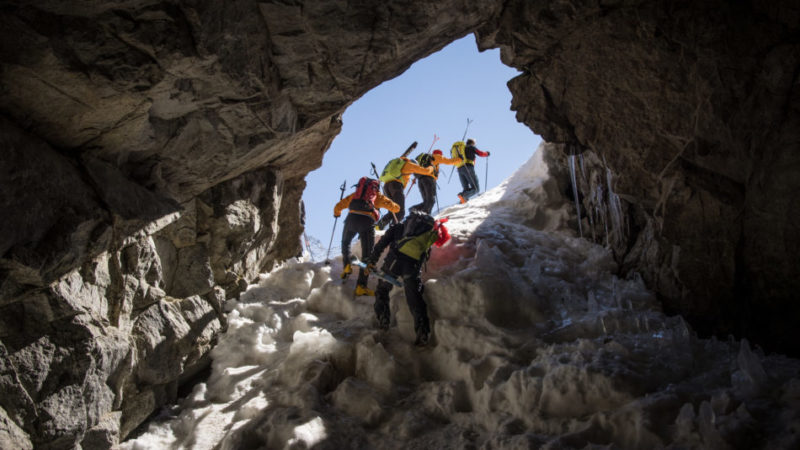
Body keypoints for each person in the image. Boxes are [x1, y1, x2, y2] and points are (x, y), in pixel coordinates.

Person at [365, 211, 451, 346]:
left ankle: (384, 322)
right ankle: (423, 332)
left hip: (394, 262)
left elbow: (381, 244)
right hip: (413, 265)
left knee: (382, 289)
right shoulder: (424, 233)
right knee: (414, 296)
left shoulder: (398, 227)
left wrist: (372, 261)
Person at [334, 177, 400, 296]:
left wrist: (337, 213)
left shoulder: (355, 195)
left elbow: (338, 206)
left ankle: (347, 265)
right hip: (366, 222)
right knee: (367, 256)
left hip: (350, 219)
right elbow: (396, 208)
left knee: (346, 242)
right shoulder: (377, 196)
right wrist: (388, 203)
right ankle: (361, 286)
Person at [375, 156, 434, 230]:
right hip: (395, 186)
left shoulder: (400, 165)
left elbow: (403, 179)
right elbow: (425, 171)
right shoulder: (408, 164)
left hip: (386, 187)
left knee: (393, 210)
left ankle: (378, 227)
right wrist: (431, 167)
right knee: (400, 212)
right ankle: (393, 231)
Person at [409, 150, 460, 214]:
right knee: (431, 201)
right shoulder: (436, 157)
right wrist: (459, 159)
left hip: (420, 180)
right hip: (429, 179)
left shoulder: (425, 160)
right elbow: (448, 161)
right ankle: (424, 216)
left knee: (426, 201)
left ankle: (415, 210)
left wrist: (414, 179)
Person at [454, 138, 490, 203]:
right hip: (468, 167)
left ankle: (462, 201)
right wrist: (487, 153)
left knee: (466, 189)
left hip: (459, 169)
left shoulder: (462, 148)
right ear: (473, 143)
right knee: (476, 189)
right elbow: (480, 153)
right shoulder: (471, 147)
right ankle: (463, 196)